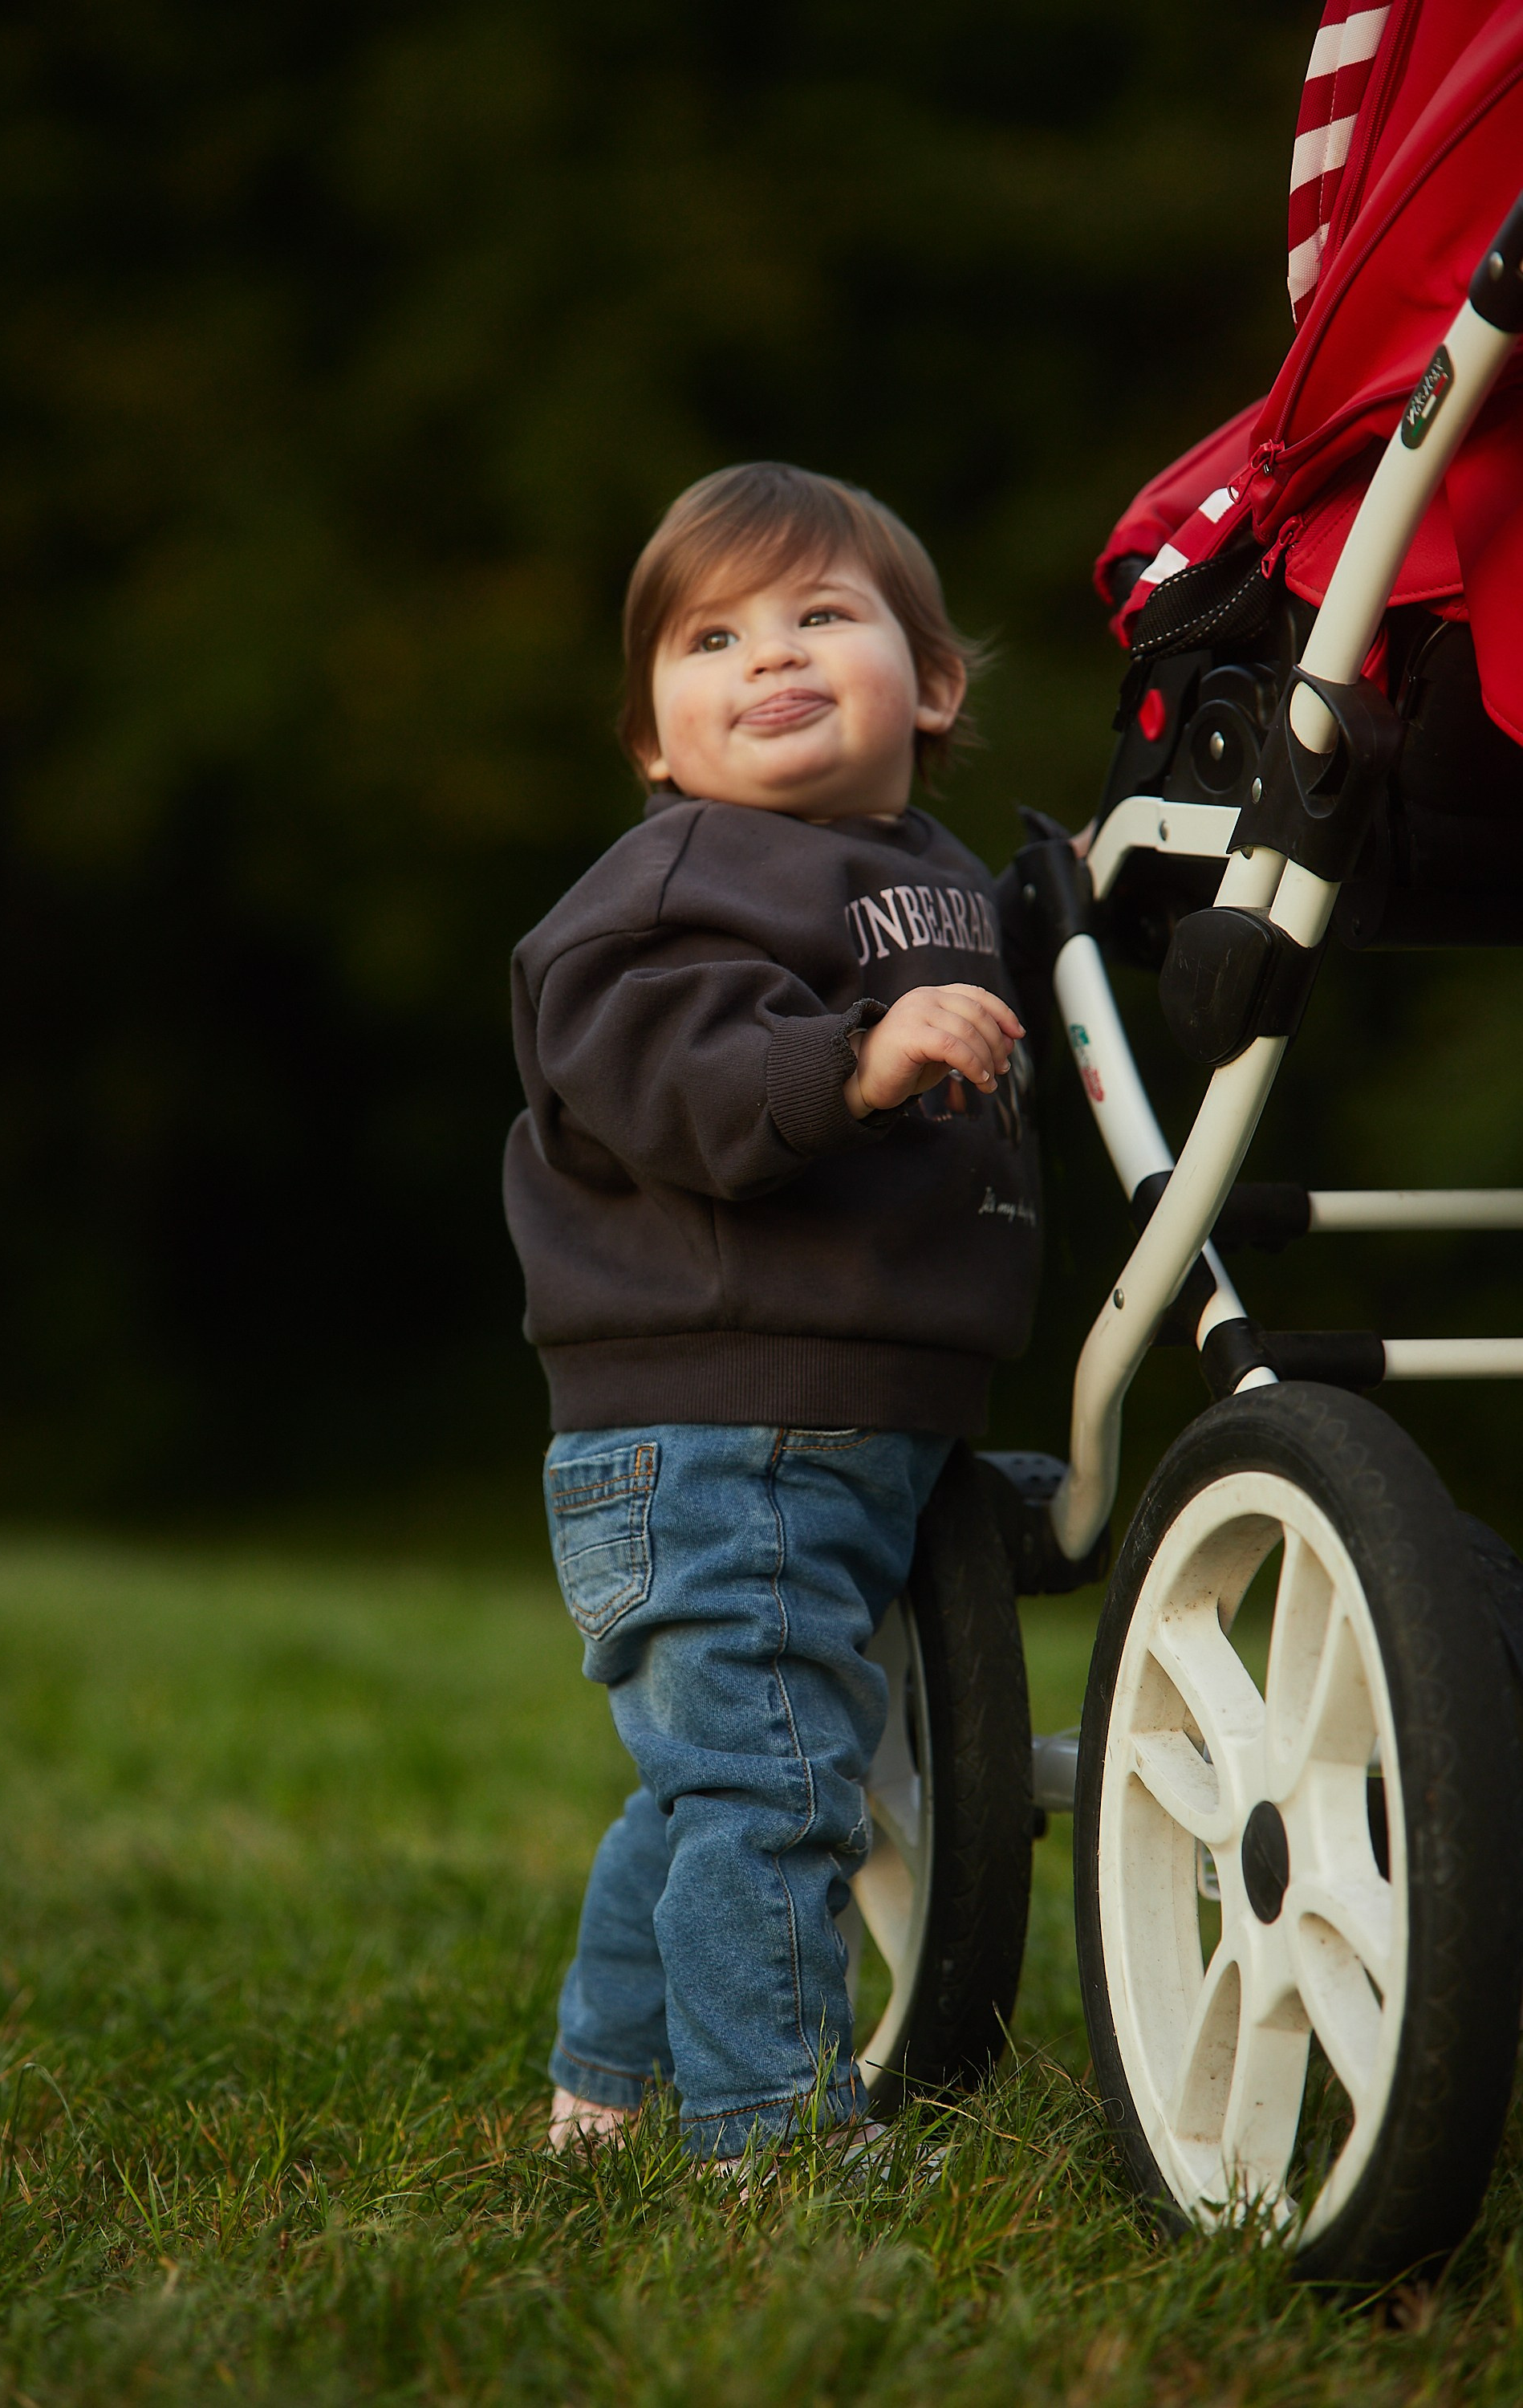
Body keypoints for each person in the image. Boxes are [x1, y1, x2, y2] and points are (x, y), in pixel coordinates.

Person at [503, 461, 1049, 2167]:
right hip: (718, 1424)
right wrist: (854, 1061)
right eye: (713, 638)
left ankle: (605, 2099)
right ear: (653, 741)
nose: (771, 656)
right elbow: (668, 1075)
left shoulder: (932, 874)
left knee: (730, 1771)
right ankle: (771, 2142)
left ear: (932, 683)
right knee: (772, 1785)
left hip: (851, 1417)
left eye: (820, 615)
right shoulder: (677, 882)